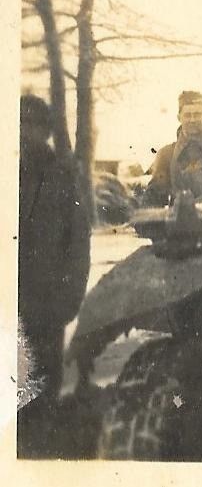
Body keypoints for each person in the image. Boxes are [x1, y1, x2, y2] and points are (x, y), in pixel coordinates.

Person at [18, 94, 91, 403]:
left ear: (46, 131)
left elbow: (78, 242)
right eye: (19, 124)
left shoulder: (62, 176)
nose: (24, 132)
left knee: (42, 392)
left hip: (46, 304)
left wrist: (70, 298)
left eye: (32, 125)